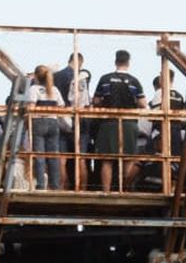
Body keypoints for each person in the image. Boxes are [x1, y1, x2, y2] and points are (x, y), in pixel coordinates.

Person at [91, 50, 144, 193]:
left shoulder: (105, 79)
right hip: (129, 123)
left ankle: (106, 192)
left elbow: (96, 101)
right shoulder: (134, 81)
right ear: (128, 62)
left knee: (107, 160)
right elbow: (143, 103)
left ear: (116, 61)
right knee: (128, 159)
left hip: (109, 123)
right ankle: (125, 190)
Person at [53, 52, 91, 190]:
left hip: (61, 120)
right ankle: (83, 189)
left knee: (62, 159)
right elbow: (83, 101)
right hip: (79, 121)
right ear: (80, 62)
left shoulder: (56, 76)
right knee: (80, 157)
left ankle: (62, 187)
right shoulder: (80, 77)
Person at [26, 64, 64, 190]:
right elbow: (61, 106)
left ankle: (41, 184)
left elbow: (31, 107)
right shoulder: (54, 89)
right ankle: (55, 184)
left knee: (39, 155)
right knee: (53, 155)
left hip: (38, 122)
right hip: (53, 122)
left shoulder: (34, 89)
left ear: (36, 76)